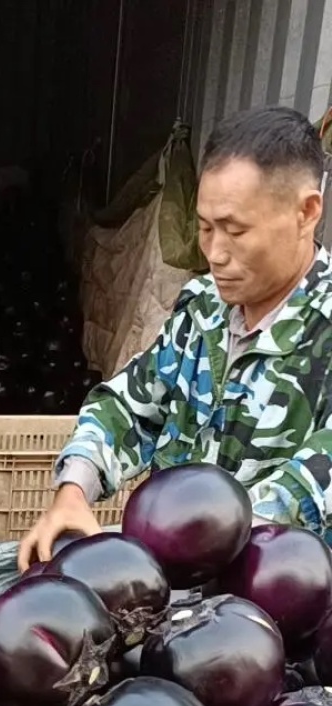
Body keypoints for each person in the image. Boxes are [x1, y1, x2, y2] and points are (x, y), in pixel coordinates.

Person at [19, 106, 332, 569]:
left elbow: (305, 488)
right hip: (160, 589)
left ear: (306, 213)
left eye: (236, 231)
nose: (215, 254)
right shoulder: (203, 306)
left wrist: (197, 542)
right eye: (205, 228)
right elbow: (127, 406)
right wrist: (74, 489)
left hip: (268, 613)